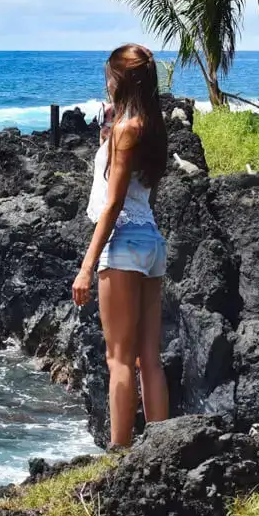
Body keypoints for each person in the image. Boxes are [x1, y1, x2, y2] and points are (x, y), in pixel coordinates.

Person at [72, 44, 170, 449]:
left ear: (120, 80)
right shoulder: (149, 125)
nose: (106, 83)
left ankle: (120, 451)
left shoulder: (126, 129)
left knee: (119, 359)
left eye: (109, 77)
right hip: (151, 241)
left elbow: (112, 204)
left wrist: (86, 266)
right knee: (150, 357)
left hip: (124, 243)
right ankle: (166, 445)